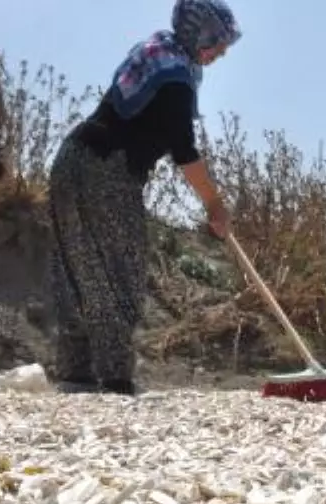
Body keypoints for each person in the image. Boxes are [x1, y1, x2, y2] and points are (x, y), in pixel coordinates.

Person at [46, 0, 241, 396]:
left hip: (71, 161)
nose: (221, 52)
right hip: (107, 171)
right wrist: (214, 205)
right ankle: (115, 379)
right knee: (121, 269)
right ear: (199, 33)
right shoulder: (174, 76)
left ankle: (76, 376)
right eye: (218, 43)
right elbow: (183, 148)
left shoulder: (156, 55)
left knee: (77, 267)